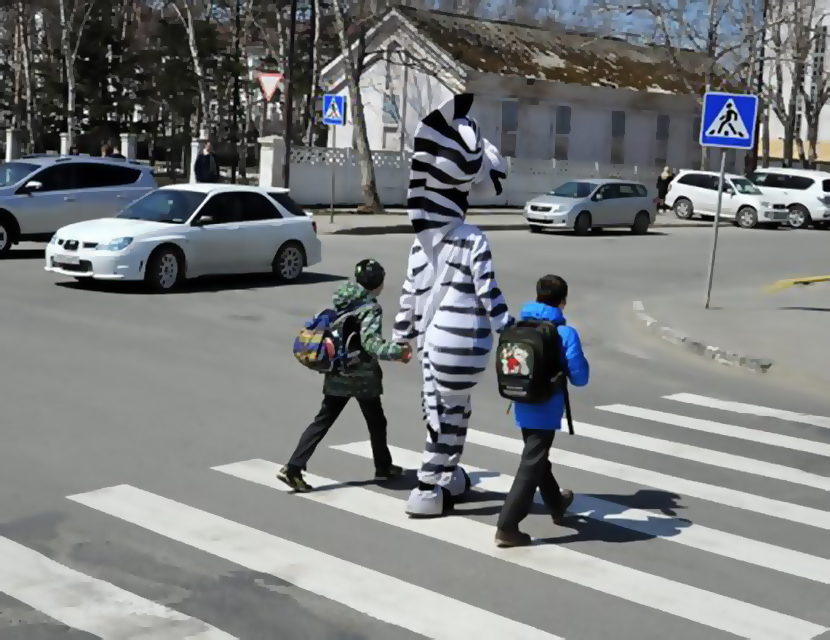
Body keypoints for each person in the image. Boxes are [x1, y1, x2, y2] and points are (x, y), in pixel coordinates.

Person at [392, 93, 513, 518]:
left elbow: (409, 292)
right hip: (460, 343)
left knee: (440, 409)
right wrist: (510, 329)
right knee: (451, 413)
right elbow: (488, 292)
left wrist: (401, 337)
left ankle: (447, 476)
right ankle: (427, 486)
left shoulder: (421, 240)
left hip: (430, 341)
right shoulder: (470, 237)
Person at [278, 259, 412, 491]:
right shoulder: (370, 308)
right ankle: (383, 467)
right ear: (377, 284)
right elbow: (372, 345)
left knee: (323, 421)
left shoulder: (343, 298)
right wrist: (399, 352)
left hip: (337, 372)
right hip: (361, 376)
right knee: (376, 422)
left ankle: (293, 467)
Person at [494, 274, 589, 547]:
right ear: (563, 301)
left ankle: (557, 504)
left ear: (536, 296)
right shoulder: (565, 333)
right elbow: (580, 378)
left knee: (537, 456)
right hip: (547, 405)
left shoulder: (520, 325)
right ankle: (507, 525)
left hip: (520, 400)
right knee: (532, 461)